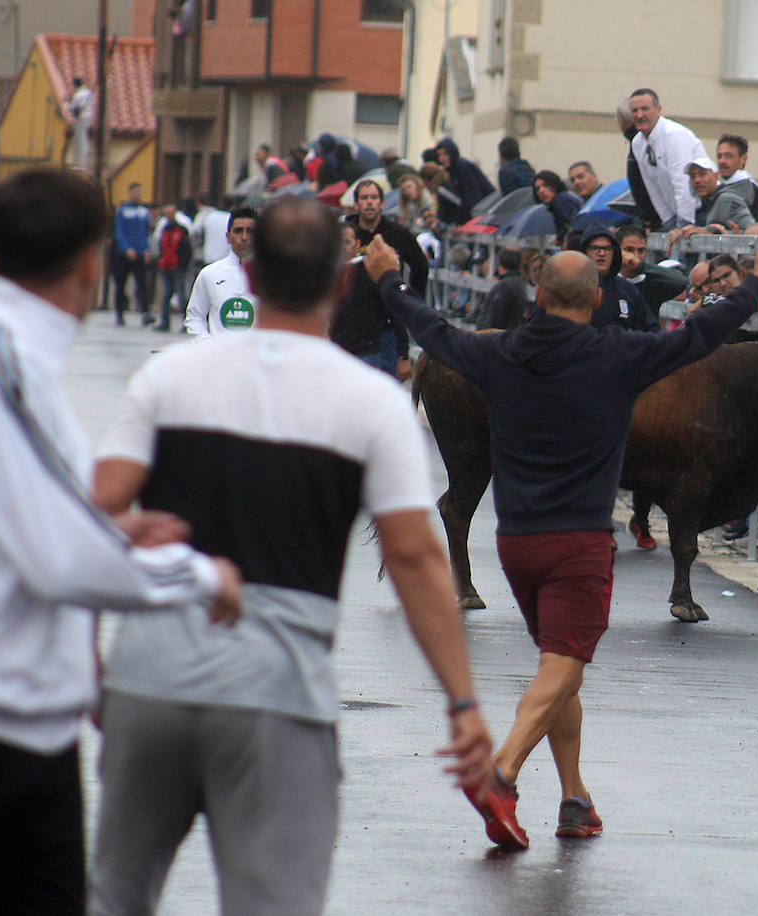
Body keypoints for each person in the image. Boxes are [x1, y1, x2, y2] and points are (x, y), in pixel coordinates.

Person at [89, 197, 494, 913]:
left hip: (149, 679)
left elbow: (93, 516)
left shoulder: (170, 379)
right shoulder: (368, 402)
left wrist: (90, 657)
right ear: (341, 285)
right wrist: (462, 703)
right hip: (275, 692)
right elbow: (414, 558)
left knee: (117, 895)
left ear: (247, 272)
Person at [366, 229, 758, 848]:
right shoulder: (620, 355)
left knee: (558, 669)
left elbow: (432, 329)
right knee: (563, 668)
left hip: (516, 545)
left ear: (535, 297)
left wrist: (386, 280)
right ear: (596, 300)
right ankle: (501, 772)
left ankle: (574, 799)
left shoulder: (497, 353)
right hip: (580, 545)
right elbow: (703, 334)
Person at [0, 167, 242, 916]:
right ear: (94, 261)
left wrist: (109, 530)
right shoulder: (1, 360)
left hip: (29, 732)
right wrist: (199, 576)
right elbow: (57, 560)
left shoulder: (15, 355)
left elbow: (29, 517)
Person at [331, 222, 413, 372]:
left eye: (347, 242)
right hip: (334, 351)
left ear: (357, 244)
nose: (343, 247)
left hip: (367, 353)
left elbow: (394, 312)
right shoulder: (326, 274)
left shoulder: (371, 272)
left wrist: (403, 354)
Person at [628, 88, 706, 230]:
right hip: (675, 216)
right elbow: (652, 186)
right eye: (634, 111)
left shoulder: (674, 135)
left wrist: (683, 225)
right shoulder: (637, 143)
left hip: (699, 213)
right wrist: (668, 222)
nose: (639, 115)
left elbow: (683, 183)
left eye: (645, 109)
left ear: (658, 109)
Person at [184, 207, 258, 340]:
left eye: (250, 232)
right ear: (228, 237)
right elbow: (195, 317)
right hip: (219, 356)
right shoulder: (210, 274)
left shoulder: (273, 277)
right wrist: (205, 343)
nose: (244, 237)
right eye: (238, 231)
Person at [666, 156, 755, 252]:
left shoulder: (727, 200)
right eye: (692, 176)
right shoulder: (703, 203)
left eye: (702, 174)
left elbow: (751, 235)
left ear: (716, 176)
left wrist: (711, 235)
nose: (697, 180)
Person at [616, 224, 686, 324]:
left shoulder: (651, 282)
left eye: (641, 250)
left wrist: (641, 266)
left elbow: (681, 282)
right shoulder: (610, 281)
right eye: (629, 250)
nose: (636, 256)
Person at [616, 97, 662, 230]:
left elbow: (642, 183)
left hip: (655, 217)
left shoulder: (641, 144)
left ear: (621, 120)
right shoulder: (646, 141)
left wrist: (648, 216)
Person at [112, 183, 153, 326]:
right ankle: (119, 313)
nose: (138, 195)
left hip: (140, 253)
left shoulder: (143, 211)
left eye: (140, 193)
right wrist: (126, 248)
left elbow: (146, 232)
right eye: (136, 192)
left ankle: (145, 313)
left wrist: (147, 248)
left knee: (142, 284)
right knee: (121, 284)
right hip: (125, 254)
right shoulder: (123, 210)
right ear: (130, 193)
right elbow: (120, 231)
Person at [433, 137, 496, 225]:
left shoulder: (462, 168)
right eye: (439, 155)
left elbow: (472, 197)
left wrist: (470, 222)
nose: (442, 158)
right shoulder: (452, 170)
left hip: (482, 212)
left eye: (445, 154)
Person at [152, 203, 193, 332]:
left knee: (182, 295)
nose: (169, 215)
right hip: (166, 265)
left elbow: (187, 248)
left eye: (171, 212)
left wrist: (183, 264)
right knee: (166, 295)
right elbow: (160, 245)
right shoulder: (164, 229)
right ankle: (165, 322)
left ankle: (187, 323)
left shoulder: (181, 229)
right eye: (167, 213)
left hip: (178, 266)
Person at [716, 133, 758, 222]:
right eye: (719, 156)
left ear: (743, 159)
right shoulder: (723, 187)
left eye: (728, 156)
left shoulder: (747, 188)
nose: (722, 161)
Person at [479, 247, 530, 331]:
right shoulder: (520, 282)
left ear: (499, 262)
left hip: (500, 338)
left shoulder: (505, 286)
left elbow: (495, 320)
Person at [532, 170, 582, 244]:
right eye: (537, 189)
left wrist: (565, 242)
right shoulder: (560, 199)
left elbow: (573, 226)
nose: (541, 191)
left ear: (554, 185)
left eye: (545, 185)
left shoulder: (559, 200)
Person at [63, 76, 94, 171]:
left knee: (81, 141)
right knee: (83, 140)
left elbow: (71, 107)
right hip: (88, 117)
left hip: (81, 118)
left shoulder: (79, 95)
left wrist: (66, 102)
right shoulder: (88, 92)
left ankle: (81, 164)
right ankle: (80, 162)